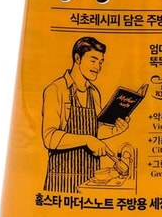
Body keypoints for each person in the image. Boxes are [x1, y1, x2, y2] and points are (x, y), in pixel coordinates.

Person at [42, 37, 129, 193]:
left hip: (90, 176)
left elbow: (94, 130)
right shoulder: (56, 90)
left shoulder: (94, 92)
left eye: (101, 62)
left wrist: (114, 130)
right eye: (93, 60)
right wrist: (87, 140)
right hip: (62, 177)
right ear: (77, 58)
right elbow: (50, 137)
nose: (98, 67)